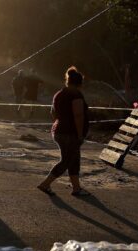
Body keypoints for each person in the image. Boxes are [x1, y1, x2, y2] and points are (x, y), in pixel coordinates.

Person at [37, 66, 90, 196]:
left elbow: (53, 113)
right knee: (66, 160)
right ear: (80, 83)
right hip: (70, 133)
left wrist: (61, 121)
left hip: (59, 130)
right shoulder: (76, 94)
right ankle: (45, 184)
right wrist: (79, 134)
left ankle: (76, 188)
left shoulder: (59, 94)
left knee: (74, 159)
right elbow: (78, 115)